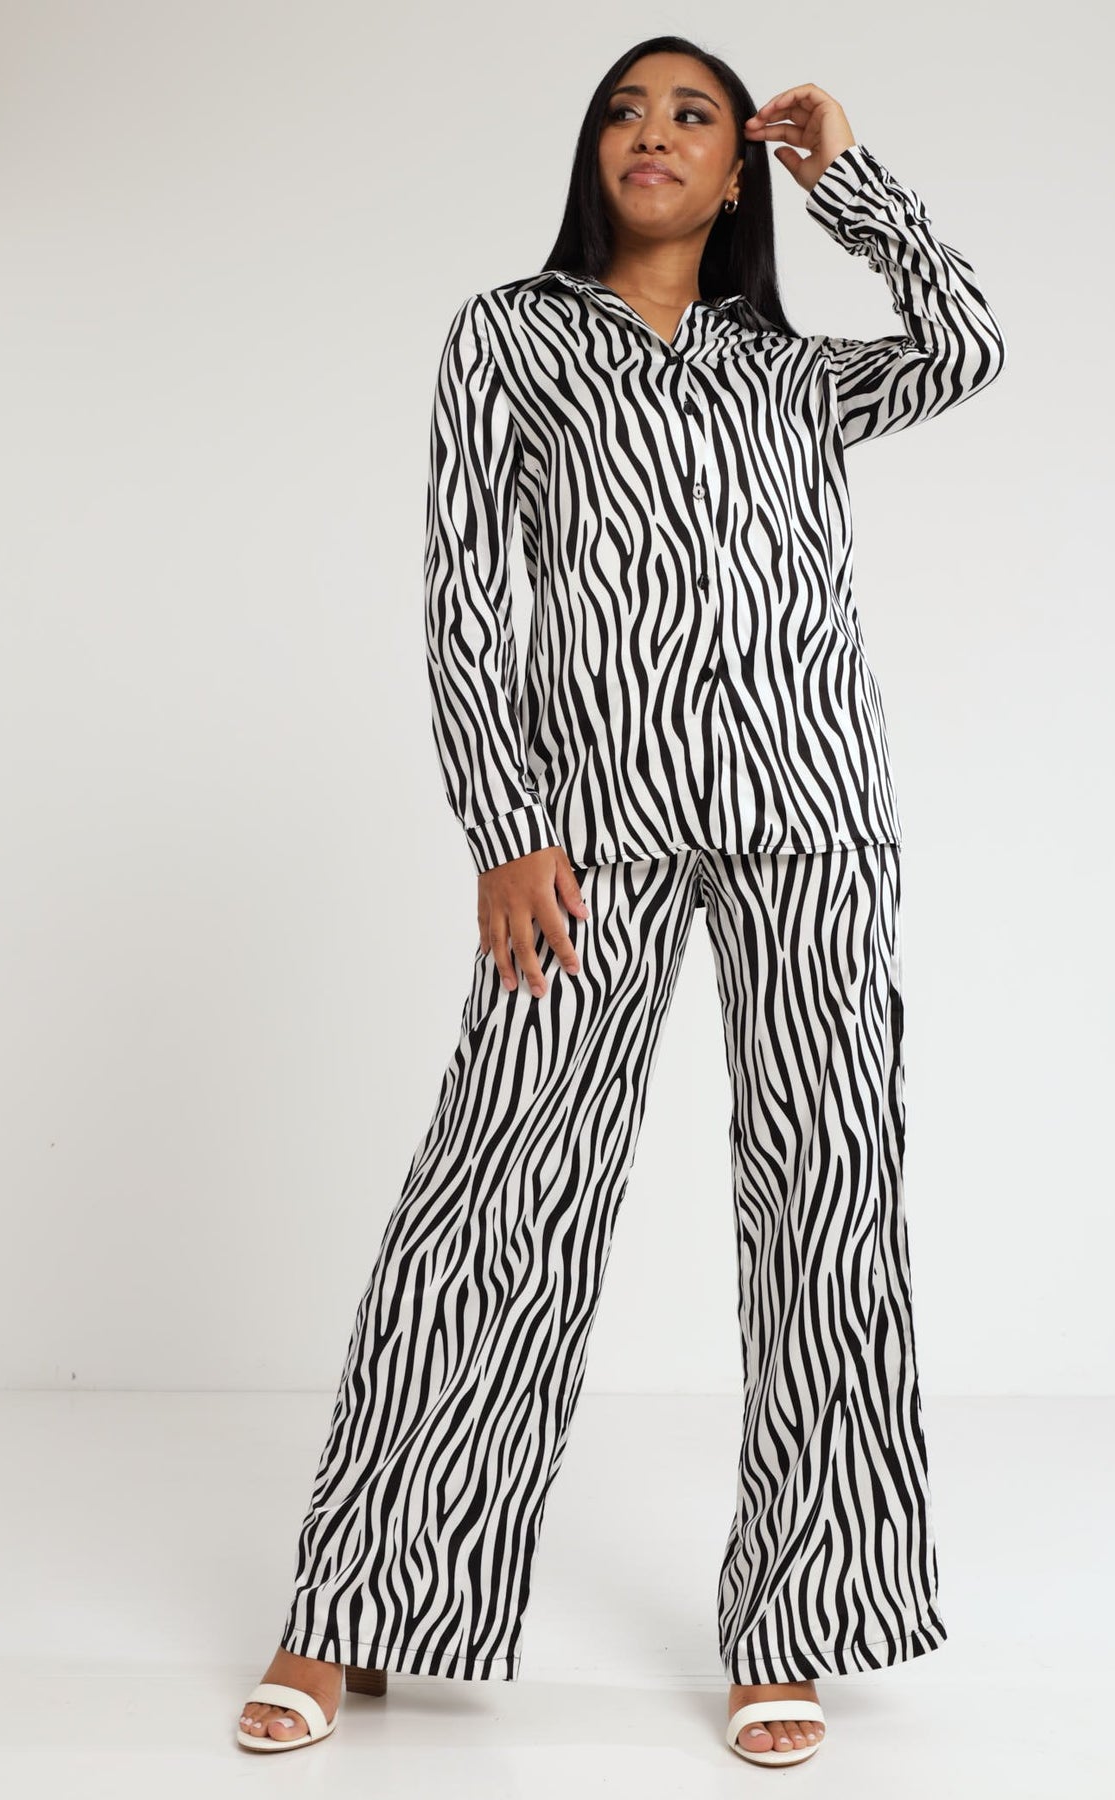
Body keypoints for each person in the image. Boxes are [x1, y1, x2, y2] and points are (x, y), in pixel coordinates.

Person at [235, 33, 1005, 1767]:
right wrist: (502, 827)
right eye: (624, 111)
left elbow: (967, 343)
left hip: (813, 819)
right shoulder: (509, 336)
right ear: (592, 154)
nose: (652, 133)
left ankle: (799, 1613)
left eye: (693, 116)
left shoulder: (793, 373)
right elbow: (464, 596)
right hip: (587, 832)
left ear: (736, 172)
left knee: (827, 1200)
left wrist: (851, 181)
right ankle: (355, 1603)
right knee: (495, 1193)